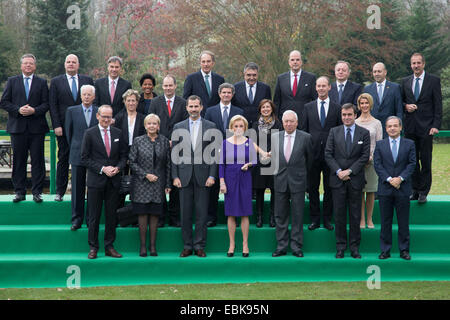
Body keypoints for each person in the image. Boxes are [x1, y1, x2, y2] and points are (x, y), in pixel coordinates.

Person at [171, 95, 218, 258]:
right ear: (187, 108)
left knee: (201, 213)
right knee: (185, 213)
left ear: (201, 107)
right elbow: (174, 154)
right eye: (190, 106)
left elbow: (214, 154)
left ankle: (199, 245)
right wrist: (175, 176)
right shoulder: (178, 127)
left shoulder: (211, 126)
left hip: (203, 176)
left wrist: (212, 175)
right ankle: (187, 246)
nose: (193, 109)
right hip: (183, 176)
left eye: (196, 106)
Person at [0, 54, 49, 203]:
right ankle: (19, 192)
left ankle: (37, 192)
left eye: (31, 64)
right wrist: (18, 110)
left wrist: (34, 110)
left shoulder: (41, 82)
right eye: (25, 63)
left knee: (38, 161)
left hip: (37, 128)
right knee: (19, 161)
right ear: (21, 66)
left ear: (35, 66)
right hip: (18, 128)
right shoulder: (12, 81)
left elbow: (46, 104)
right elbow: (4, 102)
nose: (28, 66)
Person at [81, 105, 128, 259]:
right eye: (104, 116)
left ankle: (109, 246)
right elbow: (85, 158)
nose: (106, 119)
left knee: (111, 216)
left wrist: (118, 168)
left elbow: (123, 156)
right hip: (96, 181)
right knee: (94, 216)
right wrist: (102, 168)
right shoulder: (89, 133)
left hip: (113, 181)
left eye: (109, 116)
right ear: (98, 116)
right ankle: (93, 247)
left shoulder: (118, 133)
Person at [325, 103, 370, 259]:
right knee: (339, 215)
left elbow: (364, 156)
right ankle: (340, 247)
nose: (346, 117)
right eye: (344, 115)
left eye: (349, 114)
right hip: (337, 180)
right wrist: (339, 172)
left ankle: (355, 247)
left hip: (355, 179)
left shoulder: (364, 133)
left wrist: (349, 171)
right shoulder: (333, 132)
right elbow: (328, 154)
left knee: (355, 215)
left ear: (355, 115)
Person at [49, 54, 94, 201]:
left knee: (89, 158)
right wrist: (56, 125)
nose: (71, 64)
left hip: (85, 128)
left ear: (78, 65)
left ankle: (89, 191)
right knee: (63, 157)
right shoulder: (56, 82)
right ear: (64, 64)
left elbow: (94, 103)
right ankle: (60, 192)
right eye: (68, 62)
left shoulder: (87, 80)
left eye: (73, 62)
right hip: (64, 128)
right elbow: (53, 105)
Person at [300, 76, 342, 231]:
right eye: (319, 86)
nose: (321, 88)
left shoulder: (337, 108)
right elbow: (304, 130)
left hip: (331, 155)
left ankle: (327, 219)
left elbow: (339, 131)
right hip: (312, 154)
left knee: (330, 187)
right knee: (312, 187)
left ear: (329, 87)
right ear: (315, 88)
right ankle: (315, 218)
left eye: (324, 86)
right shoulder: (308, 107)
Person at [401, 53, 442, 204]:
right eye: (413, 63)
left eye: (418, 63)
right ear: (411, 65)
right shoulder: (405, 81)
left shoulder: (433, 80)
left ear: (423, 64)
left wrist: (435, 125)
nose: (416, 66)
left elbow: (438, 105)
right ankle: (414, 190)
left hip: (427, 128)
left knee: (425, 160)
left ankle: (424, 191)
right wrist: (406, 106)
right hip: (410, 127)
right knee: (411, 160)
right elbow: (401, 101)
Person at [129, 114, 171, 257]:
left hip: (158, 184)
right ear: (145, 126)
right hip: (141, 184)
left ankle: (152, 246)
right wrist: (145, 174)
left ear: (158, 126)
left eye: (155, 123)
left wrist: (167, 183)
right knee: (142, 215)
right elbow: (132, 162)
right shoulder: (138, 141)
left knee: (154, 215)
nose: (152, 126)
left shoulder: (164, 141)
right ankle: (142, 247)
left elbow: (168, 164)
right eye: (149, 123)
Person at [373, 116, 416, 260]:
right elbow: (378, 165)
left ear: (400, 127)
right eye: (389, 126)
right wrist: (390, 179)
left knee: (403, 221)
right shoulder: (380, 145)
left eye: (395, 126)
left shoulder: (409, 144)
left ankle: (404, 250)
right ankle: (385, 250)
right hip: (385, 188)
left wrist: (400, 178)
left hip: (403, 188)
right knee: (385, 221)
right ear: (386, 129)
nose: (392, 128)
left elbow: (412, 164)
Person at [271, 110, 313, 258]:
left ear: (297, 122)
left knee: (297, 215)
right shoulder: (275, 137)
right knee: (280, 215)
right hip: (280, 181)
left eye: (291, 121)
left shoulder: (306, 137)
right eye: (286, 121)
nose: (288, 124)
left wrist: (303, 178)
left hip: (298, 181)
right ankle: (281, 246)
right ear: (282, 123)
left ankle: (296, 246)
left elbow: (310, 161)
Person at [149, 75, 188, 227]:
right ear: (162, 87)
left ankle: (174, 217)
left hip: (179, 148)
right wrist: (163, 141)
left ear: (175, 86)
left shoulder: (183, 103)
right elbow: (150, 122)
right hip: (159, 147)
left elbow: (186, 125)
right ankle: (160, 216)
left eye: (170, 85)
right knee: (160, 182)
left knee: (176, 181)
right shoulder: (155, 102)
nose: (168, 88)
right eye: (165, 86)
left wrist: (176, 140)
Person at [204, 83, 244, 227]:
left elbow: (242, 132)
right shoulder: (210, 111)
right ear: (219, 94)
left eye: (229, 92)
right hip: (214, 152)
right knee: (213, 186)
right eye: (224, 92)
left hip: (234, 153)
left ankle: (236, 216)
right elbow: (207, 132)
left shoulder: (239, 111)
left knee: (234, 185)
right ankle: (211, 217)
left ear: (232, 94)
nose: (226, 95)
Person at [219, 115, 257, 257]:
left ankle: (245, 244)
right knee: (231, 213)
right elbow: (221, 164)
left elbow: (255, 160)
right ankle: (232, 244)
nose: (238, 128)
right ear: (231, 127)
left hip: (245, 178)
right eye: (236, 126)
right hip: (229, 178)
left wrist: (249, 164)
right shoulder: (225, 143)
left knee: (245, 212)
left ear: (245, 128)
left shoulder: (249, 142)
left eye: (241, 126)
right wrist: (222, 182)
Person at [65, 85, 98, 231]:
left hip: (95, 156)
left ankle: (90, 219)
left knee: (92, 188)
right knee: (77, 189)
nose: (86, 97)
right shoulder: (71, 111)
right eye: (84, 94)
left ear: (94, 97)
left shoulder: (99, 112)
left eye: (89, 94)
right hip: (77, 154)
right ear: (80, 96)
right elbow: (68, 133)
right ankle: (76, 219)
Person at [251, 99, 282, 228]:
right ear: (260, 109)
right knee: (260, 190)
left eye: (268, 107)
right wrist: (263, 152)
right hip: (260, 160)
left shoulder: (278, 124)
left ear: (272, 109)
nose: (265, 109)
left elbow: (281, 139)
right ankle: (259, 217)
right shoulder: (254, 124)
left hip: (274, 159)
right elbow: (252, 141)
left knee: (274, 189)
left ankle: (272, 217)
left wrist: (271, 152)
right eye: (263, 107)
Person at [355, 93, 383, 229]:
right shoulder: (354, 122)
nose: (364, 106)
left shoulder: (377, 123)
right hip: (357, 162)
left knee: (371, 191)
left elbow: (379, 143)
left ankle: (370, 219)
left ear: (370, 104)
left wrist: (372, 157)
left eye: (366, 103)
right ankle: (361, 219)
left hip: (372, 161)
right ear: (359, 105)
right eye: (362, 103)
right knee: (359, 191)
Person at [273, 50, 317, 121]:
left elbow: (315, 100)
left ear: (301, 62)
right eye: (292, 60)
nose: (295, 62)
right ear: (289, 62)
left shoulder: (311, 78)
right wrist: (276, 119)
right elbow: (276, 101)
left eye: (297, 59)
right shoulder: (281, 78)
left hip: (304, 119)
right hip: (285, 120)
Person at [363, 62, 402, 137]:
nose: (376, 74)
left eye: (379, 71)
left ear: (385, 72)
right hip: (372, 129)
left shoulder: (395, 88)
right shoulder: (367, 89)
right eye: (374, 72)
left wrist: (399, 126)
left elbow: (399, 109)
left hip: (390, 128)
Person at [183, 50, 225, 115]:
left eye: (208, 61)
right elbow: (185, 99)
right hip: (198, 116)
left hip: (215, 116)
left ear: (213, 63)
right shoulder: (191, 78)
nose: (206, 64)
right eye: (203, 62)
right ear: (200, 63)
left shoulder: (220, 79)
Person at [231, 62, 272, 128]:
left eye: (254, 75)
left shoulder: (265, 88)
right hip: (241, 127)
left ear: (258, 75)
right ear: (244, 75)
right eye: (249, 75)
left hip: (260, 127)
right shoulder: (235, 88)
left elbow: (269, 108)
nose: (251, 78)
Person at [113, 89, 146, 158]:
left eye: (133, 100)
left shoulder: (143, 119)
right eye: (128, 100)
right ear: (124, 102)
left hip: (139, 153)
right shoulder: (119, 118)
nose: (131, 103)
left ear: (137, 102)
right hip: (122, 153)